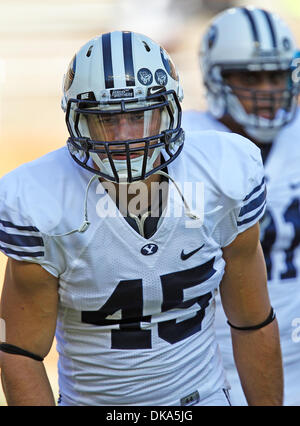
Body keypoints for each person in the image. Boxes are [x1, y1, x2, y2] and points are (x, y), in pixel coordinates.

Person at [0, 30, 281, 406]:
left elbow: (253, 321)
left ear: (169, 112)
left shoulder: (222, 175)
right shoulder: (41, 200)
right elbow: (22, 354)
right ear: (78, 121)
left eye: (138, 116)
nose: (124, 137)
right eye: (107, 120)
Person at [182, 6, 300, 405]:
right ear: (217, 79)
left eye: (276, 75)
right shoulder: (185, 147)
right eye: (250, 76)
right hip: (209, 368)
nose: (266, 89)